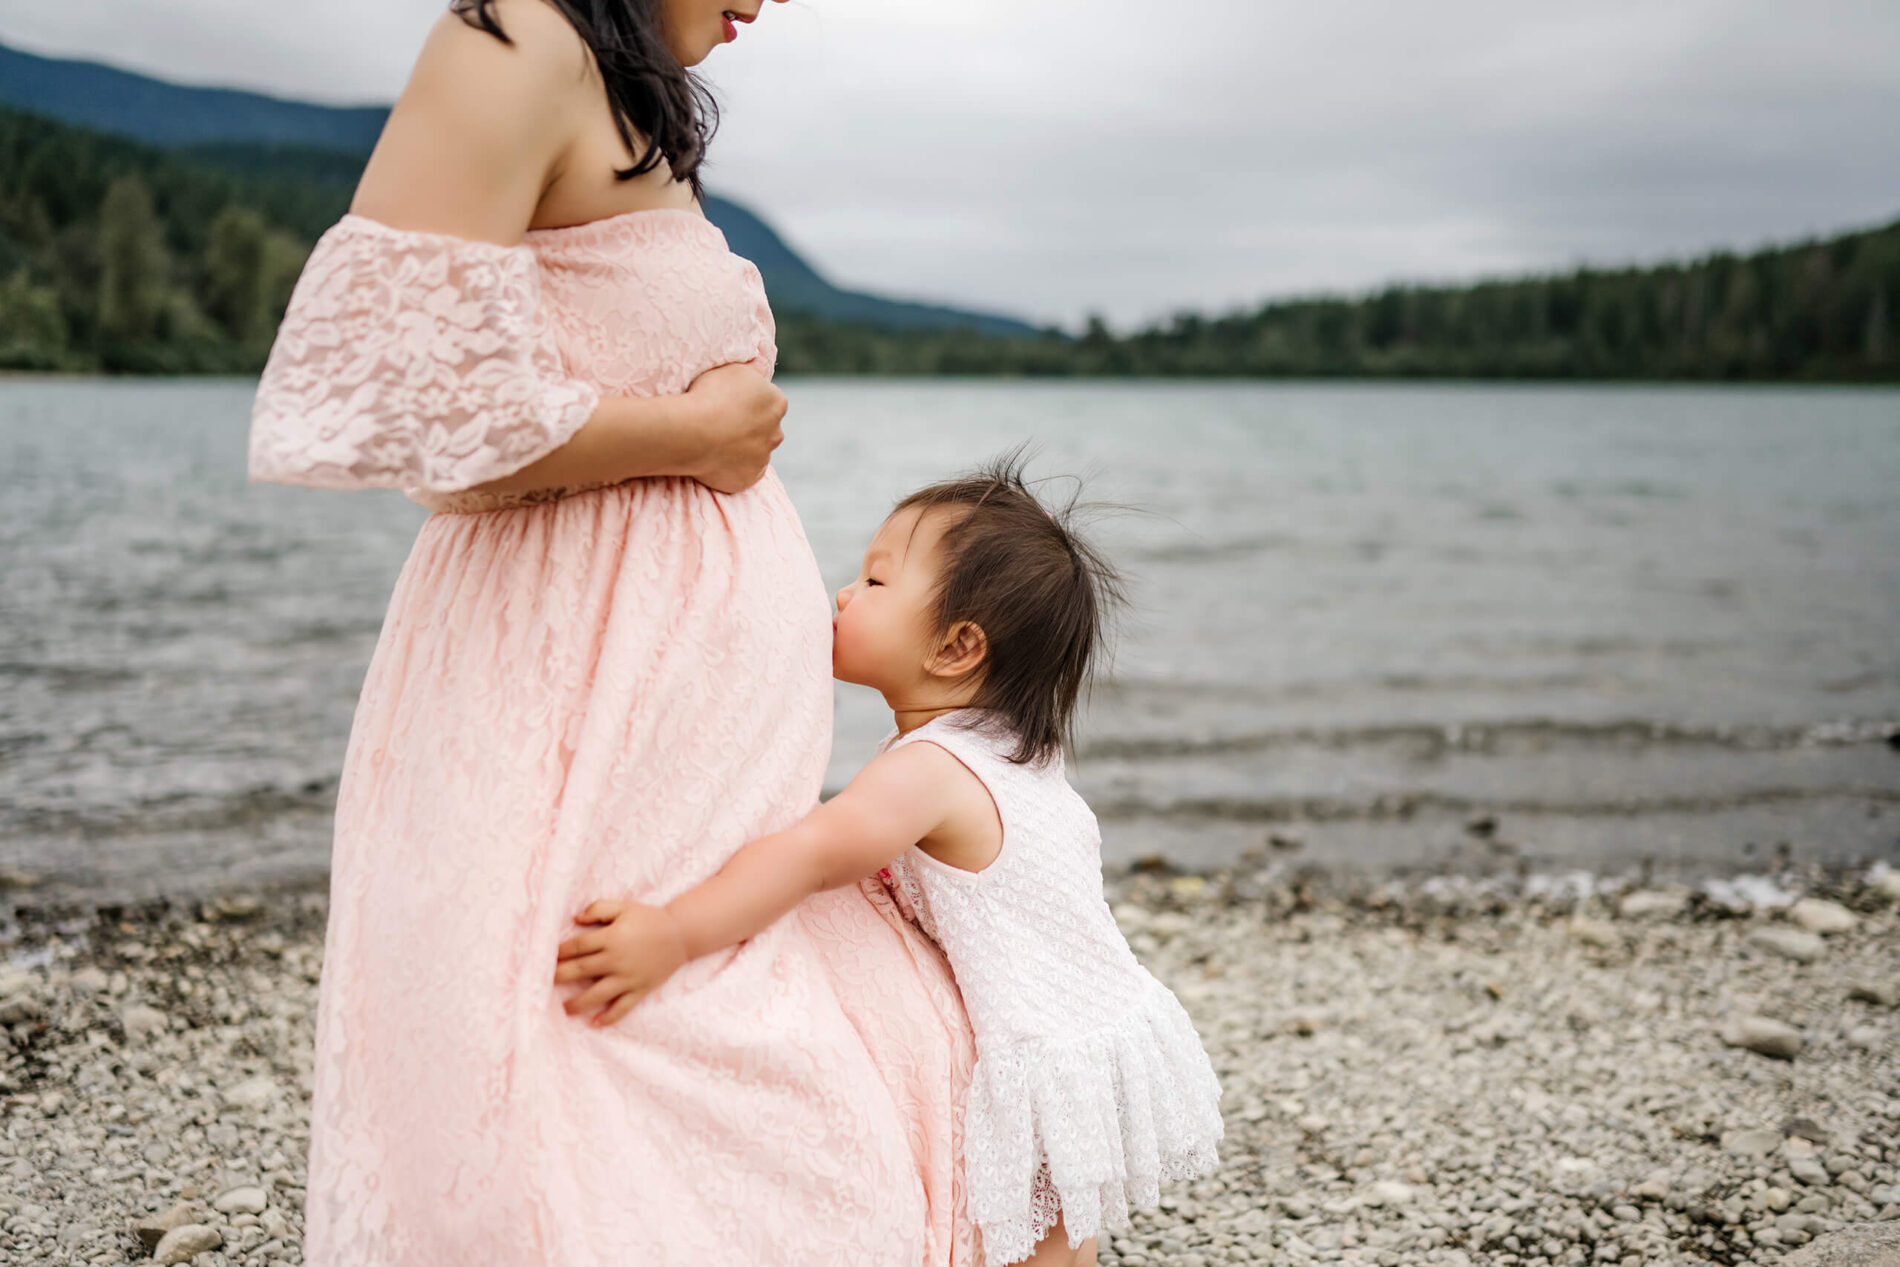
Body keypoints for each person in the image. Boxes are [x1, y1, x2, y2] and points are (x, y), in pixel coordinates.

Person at [246, 1, 977, 1263]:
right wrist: (689, 439)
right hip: (554, 687)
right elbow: (400, 406)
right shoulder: (510, 40)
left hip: (655, 717)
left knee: (686, 1015)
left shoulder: (621, 92)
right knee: (567, 1028)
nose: (770, 0)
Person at [556, 459, 1226, 1266]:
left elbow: (808, 856)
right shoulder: (1011, 753)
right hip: (1098, 1022)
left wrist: (671, 933)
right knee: (1054, 1238)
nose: (844, 593)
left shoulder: (928, 770)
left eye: (876, 581)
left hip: (1042, 1049)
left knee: (1032, 1246)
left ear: (955, 646)